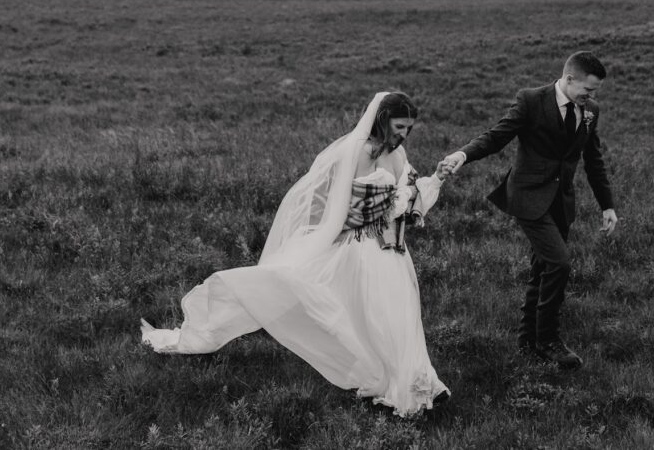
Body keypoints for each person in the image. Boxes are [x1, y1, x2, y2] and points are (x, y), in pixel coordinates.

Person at [141, 92, 450, 416]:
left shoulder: (399, 154)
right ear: (383, 119)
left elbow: (409, 199)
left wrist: (435, 181)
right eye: (400, 126)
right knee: (379, 321)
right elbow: (345, 207)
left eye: (409, 128)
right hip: (365, 251)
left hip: (396, 253)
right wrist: (378, 210)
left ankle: (420, 382)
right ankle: (400, 391)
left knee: (402, 319)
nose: (404, 134)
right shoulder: (359, 152)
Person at [440, 51, 619, 370]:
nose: (590, 98)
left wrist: (607, 205)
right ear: (569, 79)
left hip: (560, 201)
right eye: (587, 90)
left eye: (595, 93)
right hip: (528, 196)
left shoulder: (591, 111)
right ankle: (549, 340)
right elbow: (496, 137)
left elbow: (593, 160)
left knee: (543, 269)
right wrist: (462, 155)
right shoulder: (531, 101)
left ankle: (527, 341)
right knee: (559, 264)